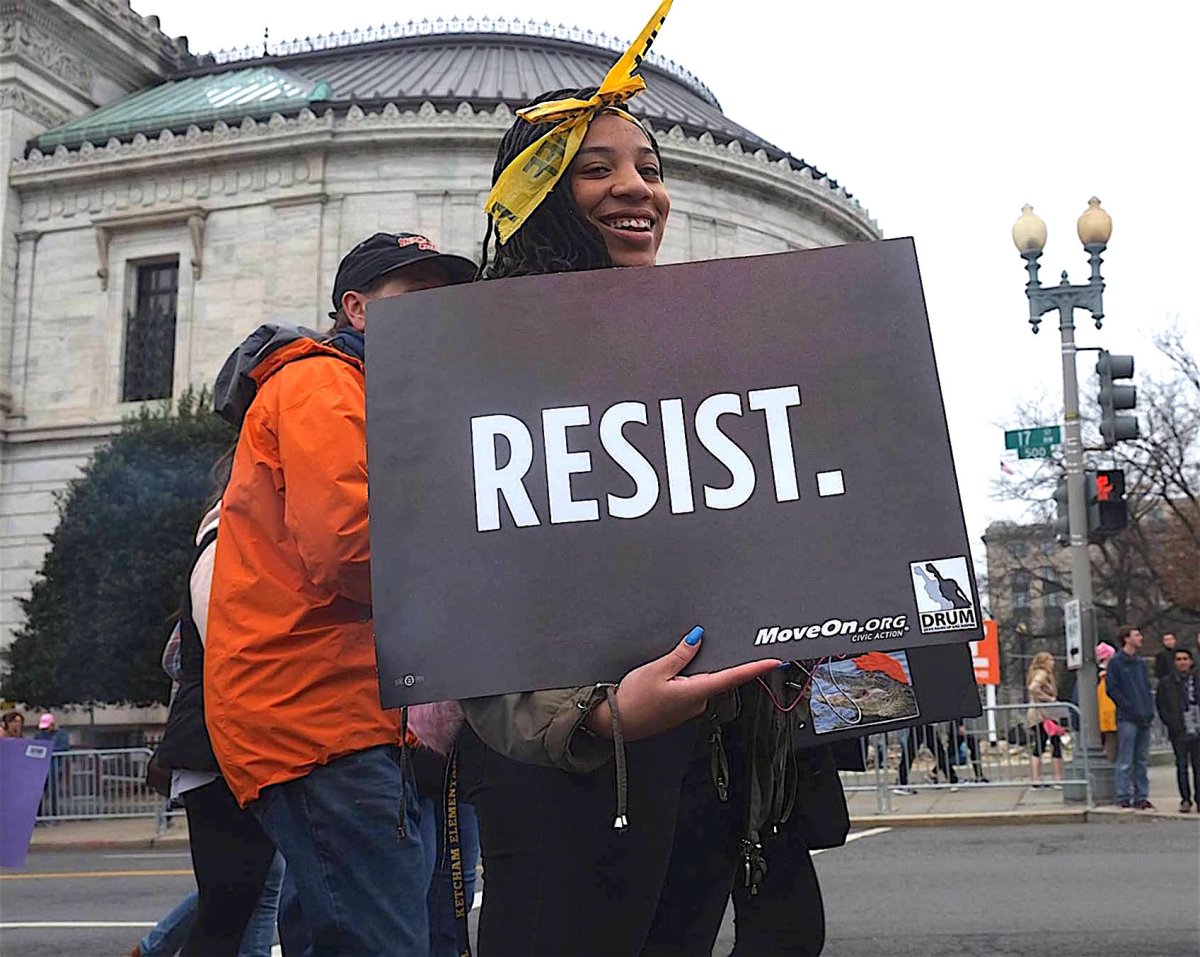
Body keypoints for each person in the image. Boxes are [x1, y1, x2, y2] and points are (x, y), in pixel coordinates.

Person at [458, 32, 841, 953]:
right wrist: (595, 712)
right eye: (596, 171)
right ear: (541, 197)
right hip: (571, 781)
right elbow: (465, 592)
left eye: (650, 167)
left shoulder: (701, 361)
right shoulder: (476, 365)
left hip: (706, 762)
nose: (641, 188)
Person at [204, 231, 476, 956]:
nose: (435, 314)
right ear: (355, 308)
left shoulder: (365, 394)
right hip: (325, 721)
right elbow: (350, 544)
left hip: (338, 720)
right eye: (413, 297)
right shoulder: (322, 383)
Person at [151, 453, 282, 956]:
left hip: (222, 744)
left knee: (234, 902)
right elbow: (221, 645)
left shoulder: (230, 534)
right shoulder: (226, 534)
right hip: (219, 748)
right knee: (228, 904)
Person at [1105, 625, 1155, 809]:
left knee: (1141, 759)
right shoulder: (1117, 663)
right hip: (1127, 717)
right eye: (1137, 635)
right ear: (1126, 639)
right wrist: (1127, 706)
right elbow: (1112, 689)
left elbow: (1146, 687)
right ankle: (1123, 795)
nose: (1140, 638)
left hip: (1144, 715)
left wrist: (1149, 709)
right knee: (1125, 759)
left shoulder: (1140, 663)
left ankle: (1141, 796)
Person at [1155, 647, 1200, 812]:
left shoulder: (1196, 680)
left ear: (1191, 661)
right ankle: (1185, 799)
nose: (1182, 662)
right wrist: (1171, 722)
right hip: (1178, 729)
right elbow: (1162, 705)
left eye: (1185, 659)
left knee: (1198, 766)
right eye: (1179, 659)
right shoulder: (1167, 682)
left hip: (1197, 728)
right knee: (1181, 766)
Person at [1026, 652, 1064, 789]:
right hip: (1044, 715)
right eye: (1050, 659)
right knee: (1054, 744)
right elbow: (1033, 688)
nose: (1053, 662)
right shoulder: (1042, 674)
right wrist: (1049, 699)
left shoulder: (1036, 673)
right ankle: (1058, 778)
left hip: (1039, 714)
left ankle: (1037, 779)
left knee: (1040, 745)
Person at [34, 712, 70, 818]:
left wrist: (49, 750)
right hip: (40, 767)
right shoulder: (39, 735)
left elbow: (64, 747)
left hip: (55, 765)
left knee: (53, 791)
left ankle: (54, 814)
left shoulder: (61, 734)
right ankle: (38, 815)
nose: (45, 730)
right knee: (38, 791)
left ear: (53, 724)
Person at [1096, 642, 1119, 763]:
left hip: (1106, 716)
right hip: (1109, 715)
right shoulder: (1104, 675)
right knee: (1112, 746)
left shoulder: (1097, 674)